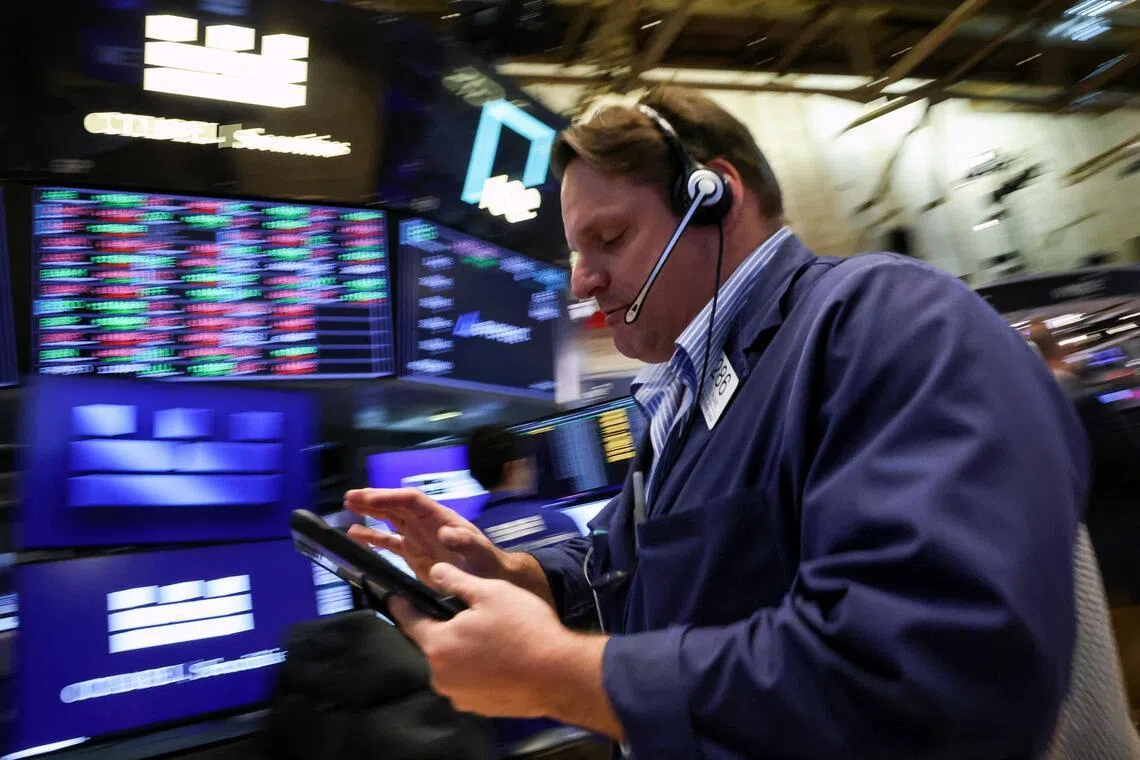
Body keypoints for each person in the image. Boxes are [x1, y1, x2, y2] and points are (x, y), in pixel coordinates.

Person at [345, 86, 1089, 758]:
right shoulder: (688, 397)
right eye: (576, 251)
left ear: (714, 195)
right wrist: (522, 577)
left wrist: (567, 677)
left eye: (608, 239)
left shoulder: (885, 321)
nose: (581, 279)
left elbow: (931, 677)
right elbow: (640, 571)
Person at [466, 425, 582, 552]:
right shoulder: (561, 523)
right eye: (528, 465)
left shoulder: (470, 539)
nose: (534, 472)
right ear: (511, 468)